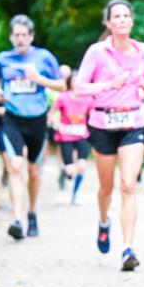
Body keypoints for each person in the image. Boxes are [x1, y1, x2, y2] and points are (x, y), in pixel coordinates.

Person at [75, 0, 144, 271]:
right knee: (106, 188)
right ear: (109, 23)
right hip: (102, 123)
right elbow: (79, 87)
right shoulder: (97, 52)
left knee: (128, 185)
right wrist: (109, 84)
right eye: (117, 16)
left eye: (126, 15)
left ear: (131, 21)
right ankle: (103, 221)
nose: (122, 20)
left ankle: (127, 248)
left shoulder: (142, 52)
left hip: (132, 121)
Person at [0, 14, 65, 240]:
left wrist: (38, 79)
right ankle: (17, 220)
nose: (20, 39)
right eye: (16, 35)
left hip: (37, 119)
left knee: (33, 172)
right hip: (13, 118)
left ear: (31, 36)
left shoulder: (44, 57)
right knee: (15, 166)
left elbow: (62, 85)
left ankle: (32, 212)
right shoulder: (3, 58)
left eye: (24, 35)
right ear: (11, 37)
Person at [50, 71, 94, 204]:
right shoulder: (63, 97)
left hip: (82, 135)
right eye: (74, 81)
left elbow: (93, 116)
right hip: (66, 137)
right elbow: (51, 114)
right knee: (70, 170)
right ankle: (65, 172)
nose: (76, 84)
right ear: (70, 82)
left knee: (81, 166)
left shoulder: (88, 98)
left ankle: (75, 195)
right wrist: (58, 125)